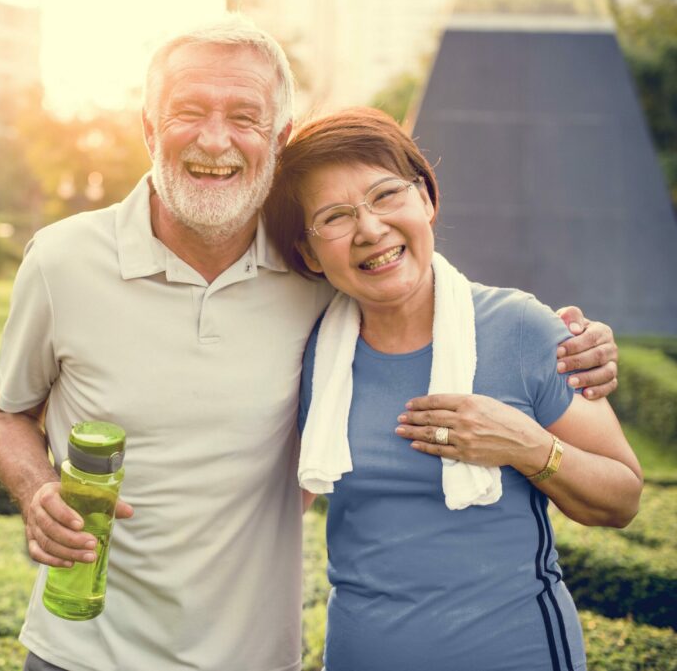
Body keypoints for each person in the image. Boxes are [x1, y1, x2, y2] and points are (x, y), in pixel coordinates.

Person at [0, 18, 619, 671]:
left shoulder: (316, 267)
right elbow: (6, 410)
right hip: (77, 651)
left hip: (255, 658)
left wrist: (569, 342)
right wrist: (36, 490)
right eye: (189, 112)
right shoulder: (61, 262)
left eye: (244, 117)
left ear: (279, 139)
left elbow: (417, 279)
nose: (214, 139)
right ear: (148, 128)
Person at [263, 107, 643, 671]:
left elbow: (623, 498)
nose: (370, 229)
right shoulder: (312, 351)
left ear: (427, 199)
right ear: (308, 254)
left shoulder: (520, 327)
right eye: (335, 217)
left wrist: (526, 445)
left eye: (386, 195)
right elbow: (262, 504)